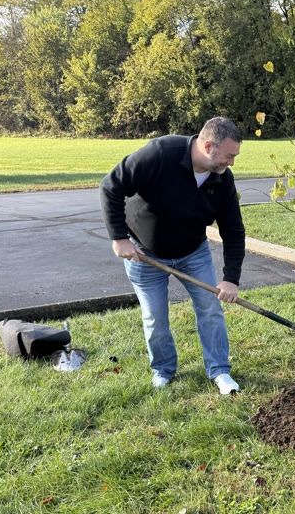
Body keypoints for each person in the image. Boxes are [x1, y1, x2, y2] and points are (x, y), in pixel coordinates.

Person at [99, 116, 245, 393]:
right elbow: (111, 186)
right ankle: (163, 370)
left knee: (210, 309)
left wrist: (230, 280)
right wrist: (118, 237)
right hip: (144, 254)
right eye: (229, 156)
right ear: (208, 146)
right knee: (155, 317)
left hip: (193, 253)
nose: (232, 163)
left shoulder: (223, 180)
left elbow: (234, 231)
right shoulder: (160, 154)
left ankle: (220, 371)